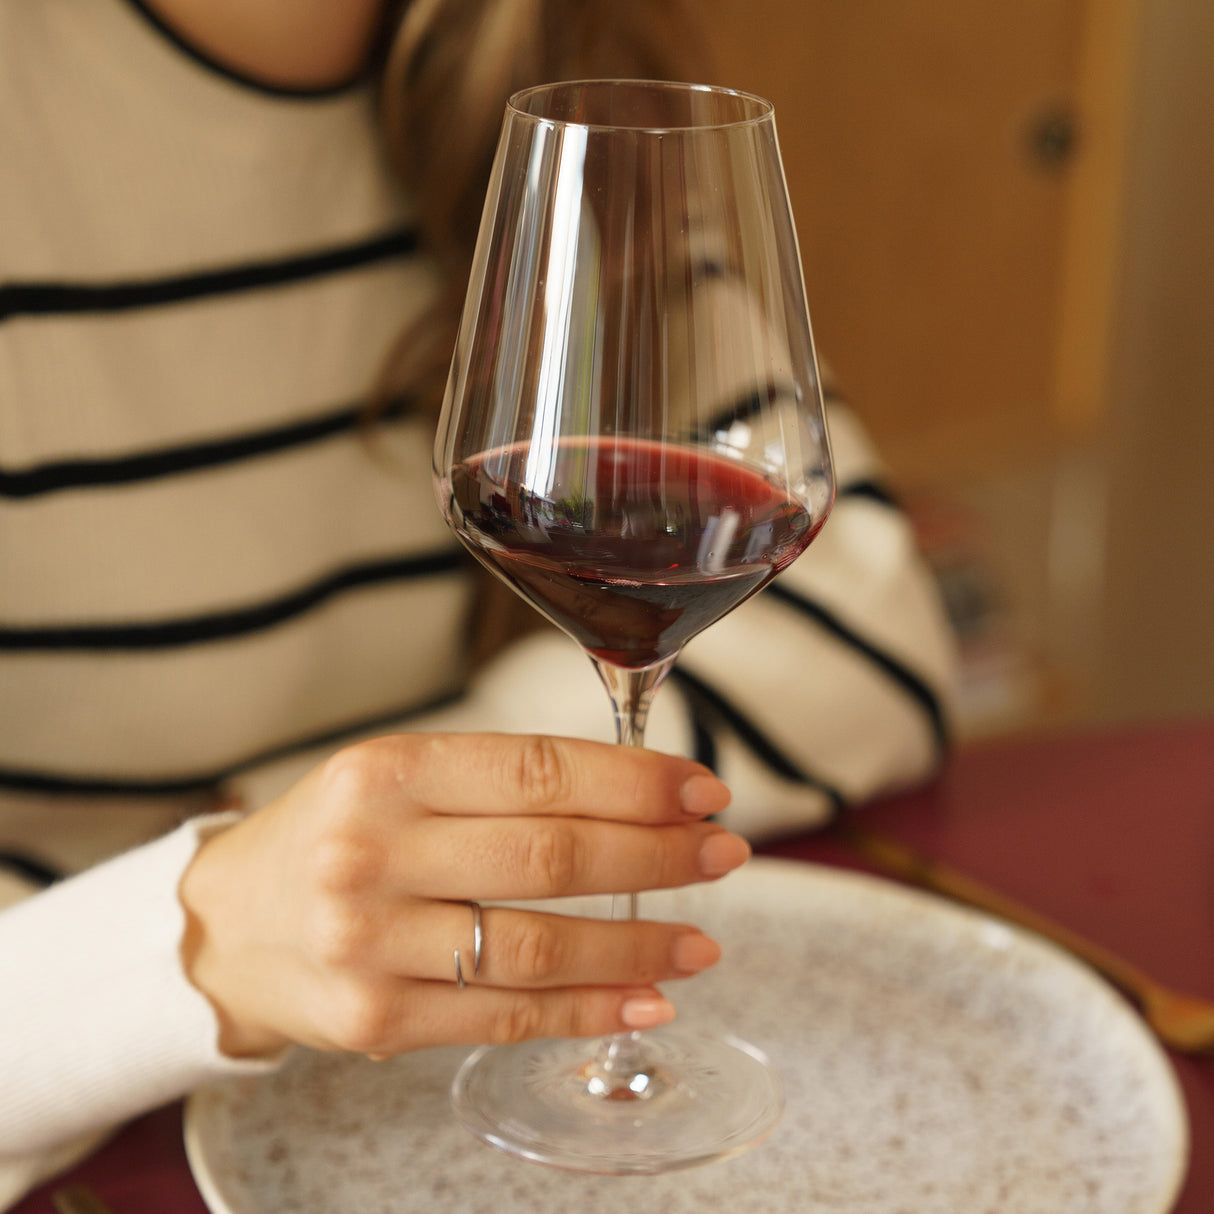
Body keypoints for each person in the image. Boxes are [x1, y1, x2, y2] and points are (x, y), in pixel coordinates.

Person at [0, 0, 958, 1202]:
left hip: (392, 1090)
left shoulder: (547, 70)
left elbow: (863, 635)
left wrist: (330, 844)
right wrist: (197, 928)